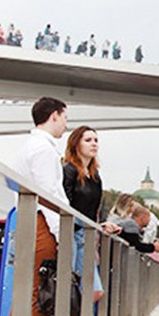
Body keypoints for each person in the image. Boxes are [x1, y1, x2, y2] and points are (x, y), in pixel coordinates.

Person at [6, 96, 74, 316]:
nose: (66, 125)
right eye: (65, 118)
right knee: (41, 292)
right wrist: (61, 233)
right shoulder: (44, 150)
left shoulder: (29, 146)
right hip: (41, 223)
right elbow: (50, 195)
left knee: (26, 291)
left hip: (27, 219)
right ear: (54, 115)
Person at [62, 126, 122, 304]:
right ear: (76, 144)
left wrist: (104, 224)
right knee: (65, 286)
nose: (94, 144)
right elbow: (64, 202)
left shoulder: (95, 176)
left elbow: (96, 208)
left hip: (85, 235)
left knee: (95, 291)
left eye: (96, 140)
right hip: (71, 232)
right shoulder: (69, 170)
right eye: (88, 140)